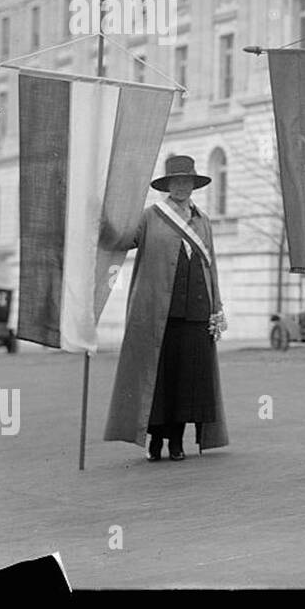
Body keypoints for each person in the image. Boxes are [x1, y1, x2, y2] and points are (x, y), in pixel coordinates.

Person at [103, 155, 229, 461]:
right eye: (177, 182)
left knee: (188, 382)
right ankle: (155, 441)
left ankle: (176, 442)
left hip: (197, 315)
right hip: (159, 315)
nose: (182, 187)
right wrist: (104, 215)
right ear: (168, 185)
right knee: (158, 381)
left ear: (194, 185)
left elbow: (211, 267)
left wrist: (217, 306)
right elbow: (122, 239)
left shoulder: (203, 220)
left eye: (187, 182)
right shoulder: (150, 217)